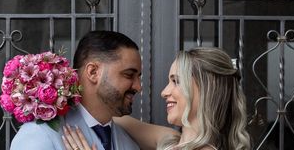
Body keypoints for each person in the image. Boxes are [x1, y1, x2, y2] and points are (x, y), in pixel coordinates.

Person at [62, 47, 251, 150]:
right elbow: (107, 114)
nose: (164, 92)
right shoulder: (170, 140)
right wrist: (54, 97)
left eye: (176, 82)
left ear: (205, 90)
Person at [10, 30, 142, 150]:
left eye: (138, 77)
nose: (138, 87)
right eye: (129, 75)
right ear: (93, 72)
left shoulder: (130, 144)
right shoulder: (39, 135)